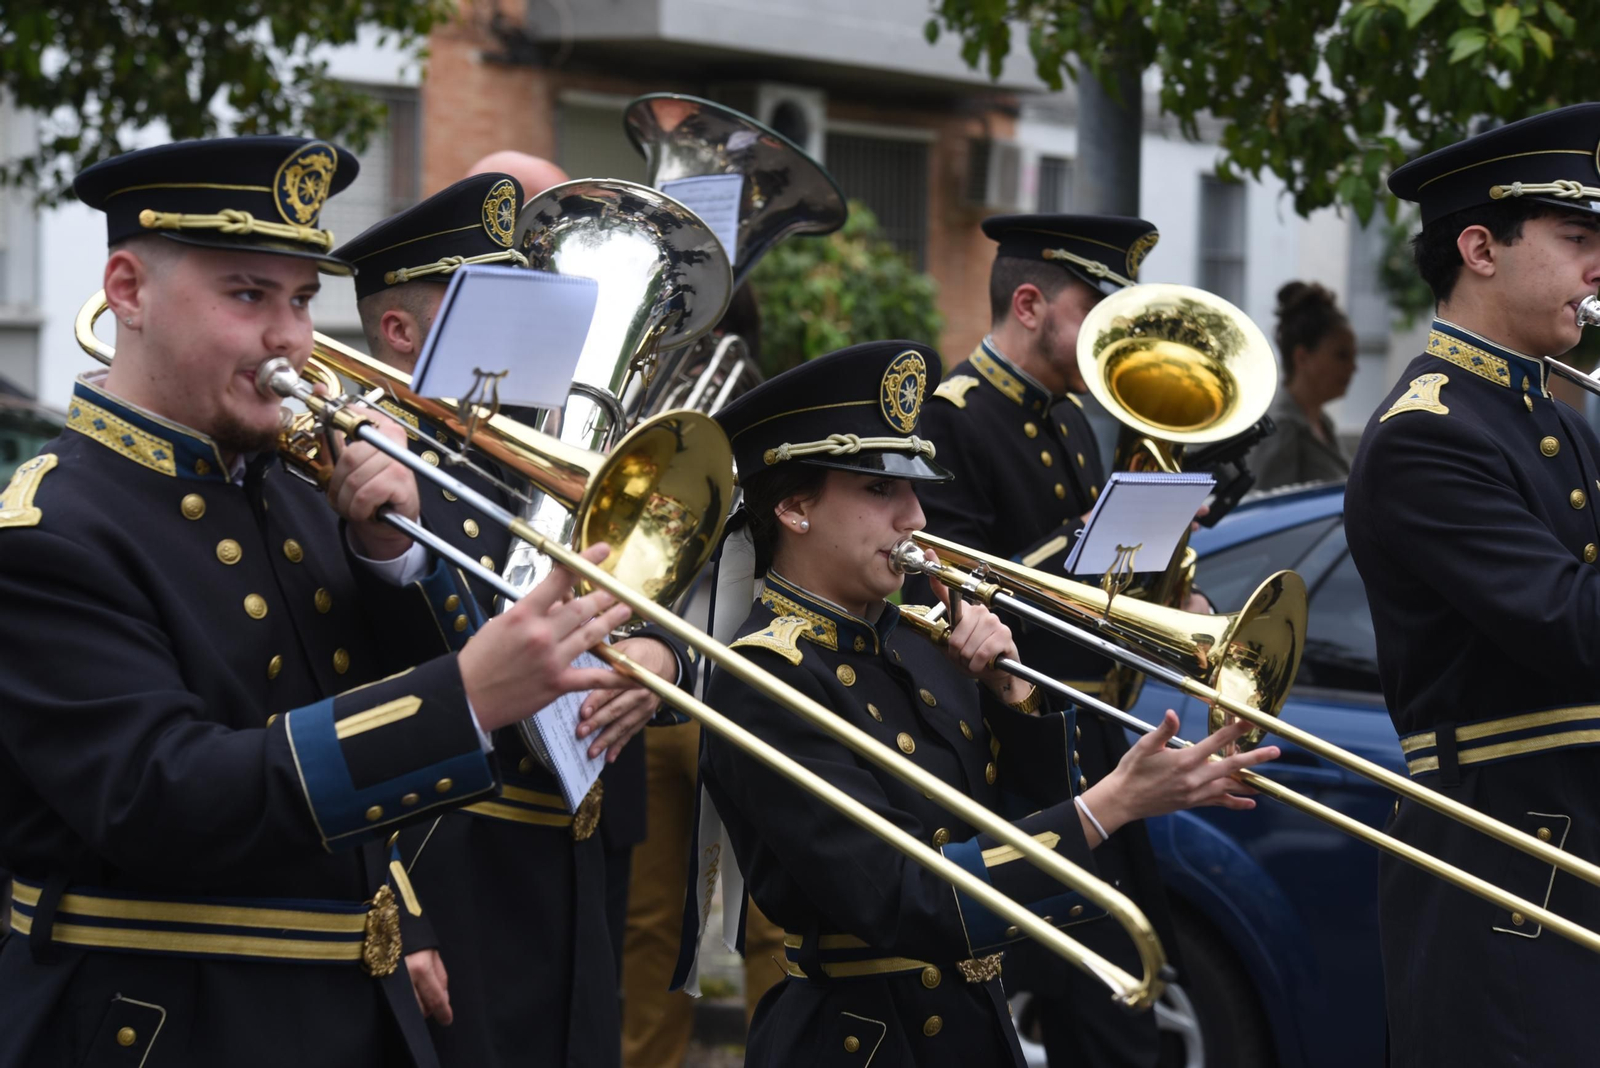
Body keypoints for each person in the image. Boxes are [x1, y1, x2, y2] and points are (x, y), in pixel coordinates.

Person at [0, 136, 636, 1068]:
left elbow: (372, 711)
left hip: (350, 1015)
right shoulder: (49, 527)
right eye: (248, 295)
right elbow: (162, 797)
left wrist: (390, 555)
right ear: (128, 293)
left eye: (302, 300)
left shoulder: (297, 490)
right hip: (168, 1020)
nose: (292, 340)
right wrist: (460, 697)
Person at [700, 339, 1279, 1066]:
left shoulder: (917, 637)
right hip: (865, 1043)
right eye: (880, 490)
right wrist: (1113, 804)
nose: (915, 515)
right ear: (793, 507)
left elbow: (1017, 833)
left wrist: (1015, 699)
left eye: (913, 488)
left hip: (975, 1030)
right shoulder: (763, 679)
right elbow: (907, 900)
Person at [332, 172, 683, 1068]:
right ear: (403, 333)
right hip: (448, 854)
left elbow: (679, 605)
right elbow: (349, 677)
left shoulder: (568, 453)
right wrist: (398, 913)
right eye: (503, 301)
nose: (552, 325)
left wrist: (661, 659)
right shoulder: (363, 457)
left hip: (579, 849)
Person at [1344, 103, 1600, 1068]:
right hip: (1510, 877)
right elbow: (1574, 628)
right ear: (1480, 247)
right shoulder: (1427, 432)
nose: (1599, 266)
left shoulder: (1560, 420)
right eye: (1578, 239)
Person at [909, 213, 1180, 1068]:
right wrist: (1103, 530)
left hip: (1087, 737)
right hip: (1012, 755)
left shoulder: (1070, 422)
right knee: (1086, 1017)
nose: (1114, 336)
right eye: (1095, 310)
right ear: (1030, 304)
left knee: (1117, 1005)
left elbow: (1093, 596)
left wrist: (1160, 554)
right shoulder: (954, 415)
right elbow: (950, 590)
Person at [620, 284, 788, 1067]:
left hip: (691, 689)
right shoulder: (764, 409)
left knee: (663, 926)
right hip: (698, 689)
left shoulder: (654, 402)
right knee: (753, 921)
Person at [1250, 281, 1357, 489]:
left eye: (1353, 356)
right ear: (1302, 358)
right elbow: (1269, 513)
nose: (1353, 367)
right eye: (1341, 356)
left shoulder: (1322, 422)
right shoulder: (1280, 428)